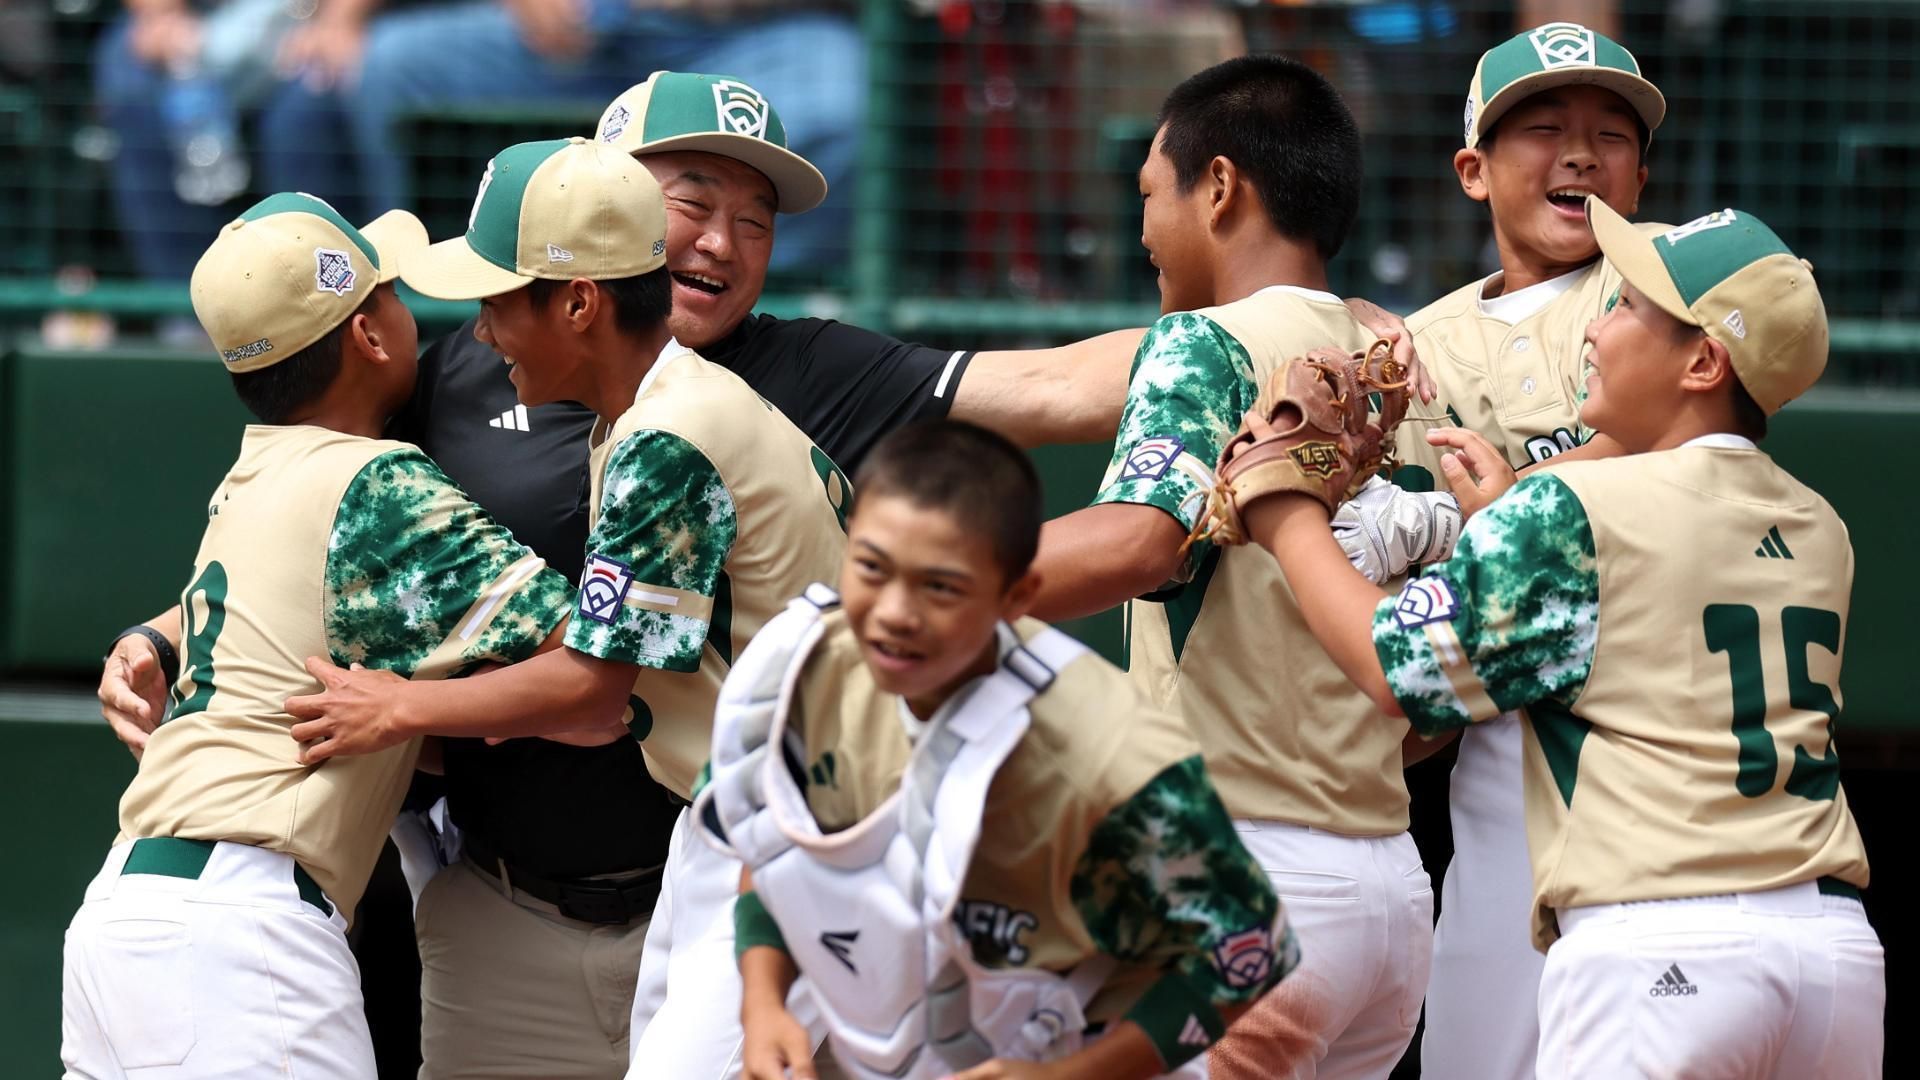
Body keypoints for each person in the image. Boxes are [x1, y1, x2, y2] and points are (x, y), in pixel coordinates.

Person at [93, 70, 1419, 1079]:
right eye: (689, 202)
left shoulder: (768, 394)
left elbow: (611, 690)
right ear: (596, 212)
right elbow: (311, 527)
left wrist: (1297, 319)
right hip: (556, 895)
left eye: (754, 215)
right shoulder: (473, 371)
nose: (722, 242)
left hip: (794, 863)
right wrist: (164, 633)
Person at [1239, 198, 1884, 1079]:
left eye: (1624, 309)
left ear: (1703, 360)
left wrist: (1285, 515)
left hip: (1663, 949)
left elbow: (1398, 673)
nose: (1595, 330)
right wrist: (1498, 522)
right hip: (1835, 961)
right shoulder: (1823, 527)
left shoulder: (1569, 509)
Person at [279, 136, 856, 1076]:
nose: (479, 331)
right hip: (746, 821)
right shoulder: (648, 411)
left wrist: (401, 707)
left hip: (813, 833)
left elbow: (594, 693)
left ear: (579, 303)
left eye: (498, 299)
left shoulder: (671, 431)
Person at [60, 193, 575, 1077]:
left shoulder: (252, 469)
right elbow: (592, 655)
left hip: (125, 917)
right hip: (243, 936)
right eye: (389, 294)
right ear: (370, 336)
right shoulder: (375, 480)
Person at [1026, 55, 1430, 1079]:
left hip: (1247, 877)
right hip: (1390, 893)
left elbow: (1135, 541)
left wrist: (917, 584)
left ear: (1219, 187)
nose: (1145, 228)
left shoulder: (1200, 342)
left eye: (1150, 196)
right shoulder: (1408, 372)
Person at [700, 420, 1292, 1080]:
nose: (895, 610)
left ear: (1017, 598)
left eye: (940, 586)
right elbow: (773, 841)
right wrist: (763, 1001)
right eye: (872, 568)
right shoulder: (806, 669)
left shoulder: (1110, 754)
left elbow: (1249, 951)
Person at [1330, 23, 1665, 1079]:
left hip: (1648, 719)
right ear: (1472, 170)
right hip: (1503, 747)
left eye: (1611, 133)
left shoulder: (1666, 300)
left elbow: (1682, 447)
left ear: (1642, 173)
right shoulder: (1415, 347)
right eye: (1543, 130)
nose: (1579, 154)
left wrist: (1510, 501)